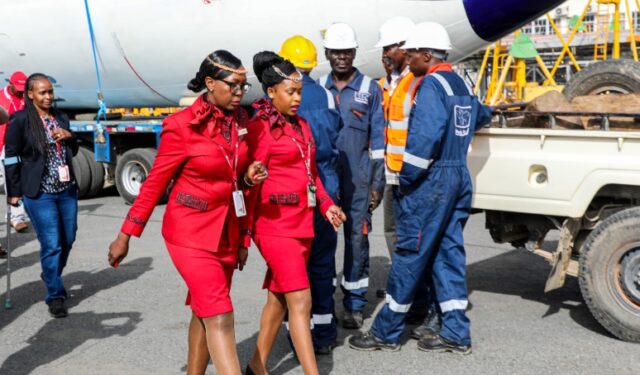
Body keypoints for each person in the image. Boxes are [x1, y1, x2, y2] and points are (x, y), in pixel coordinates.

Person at [107, 50, 267, 375]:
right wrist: (126, 235)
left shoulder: (240, 121)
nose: (240, 92)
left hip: (225, 233)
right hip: (189, 235)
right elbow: (152, 186)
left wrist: (247, 181)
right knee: (220, 314)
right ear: (209, 83)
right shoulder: (180, 126)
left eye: (243, 86)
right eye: (233, 85)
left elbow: (234, 175)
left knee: (203, 309)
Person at [348, 22, 492, 354]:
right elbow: (480, 115)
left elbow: (424, 137)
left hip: (430, 182)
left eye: (412, 53)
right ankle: (455, 332)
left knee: (409, 255)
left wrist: (408, 179)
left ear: (427, 54)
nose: (408, 59)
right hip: (457, 177)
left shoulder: (429, 86)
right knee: (447, 253)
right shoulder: (457, 82)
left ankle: (386, 332)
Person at [245, 51, 346, 375]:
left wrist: (328, 205)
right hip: (274, 225)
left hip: (303, 222)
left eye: (300, 91)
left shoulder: (301, 124)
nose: (297, 98)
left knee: (278, 296)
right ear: (271, 91)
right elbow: (246, 174)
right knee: (300, 301)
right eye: (291, 92)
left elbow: (312, 172)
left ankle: (256, 367)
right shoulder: (259, 126)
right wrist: (250, 176)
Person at [376, 16, 441, 339]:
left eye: (390, 47)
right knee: (393, 234)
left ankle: (426, 305)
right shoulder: (390, 81)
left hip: (413, 176)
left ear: (405, 48)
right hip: (393, 174)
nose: (386, 53)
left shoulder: (417, 81)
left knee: (415, 242)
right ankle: (406, 294)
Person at [318, 22, 385, 329]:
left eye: (346, 52)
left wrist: (377, 183)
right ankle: (324, 302)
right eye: (336, 52)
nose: (341, 57)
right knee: (325, 242)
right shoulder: (319, 88)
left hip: (359, 182)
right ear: (327, 54)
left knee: (357, 240)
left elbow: (379, 143)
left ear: (354, 52)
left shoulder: (371, 88)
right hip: (329, 180)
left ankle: (355, 303)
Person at [279, 35, 343, 354]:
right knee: (321, 263)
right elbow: (335, 135)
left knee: (293, 266)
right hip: (327, 185)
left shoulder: (282, 98)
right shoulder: (328, 96)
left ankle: (298, 331)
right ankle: (325, 332)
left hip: (296, 188)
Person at [4, 73, 79, 318]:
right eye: (42, 92)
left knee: (68, 239)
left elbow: (73, 150)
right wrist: (14, 191)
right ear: (30, 94)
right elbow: (12, 156)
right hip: (39, 193)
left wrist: (70, 136)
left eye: (50, 92)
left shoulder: (61, 117)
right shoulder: (20, 119)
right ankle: (55, 294)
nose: (48, 96)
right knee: (52, 243)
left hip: (66, 190)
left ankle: (49, 273)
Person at [0, 71, 30, 234]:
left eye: (22, 88)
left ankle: (16, 218)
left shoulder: (25, 98)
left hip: (12, 147)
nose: (20, 91)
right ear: (9, 84)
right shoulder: (0, 98)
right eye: (17, 88)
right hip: (0, 142)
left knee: (14, 181)